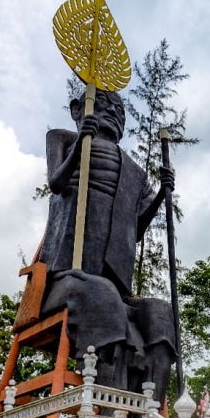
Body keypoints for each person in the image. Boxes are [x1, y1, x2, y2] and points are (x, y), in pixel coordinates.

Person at [38, 89, 176, 399]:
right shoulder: (64, 140)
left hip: (113, 287)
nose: (114, 114)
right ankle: (111, 404)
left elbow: (136, 229)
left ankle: (148, 411)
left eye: (121, 112)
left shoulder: (133, 173)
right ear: (78, 110)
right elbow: (56, 183)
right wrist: (81, 144)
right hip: (65, 278)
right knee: (102, 295)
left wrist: (159, 197)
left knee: (159, 314)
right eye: (105, 106)